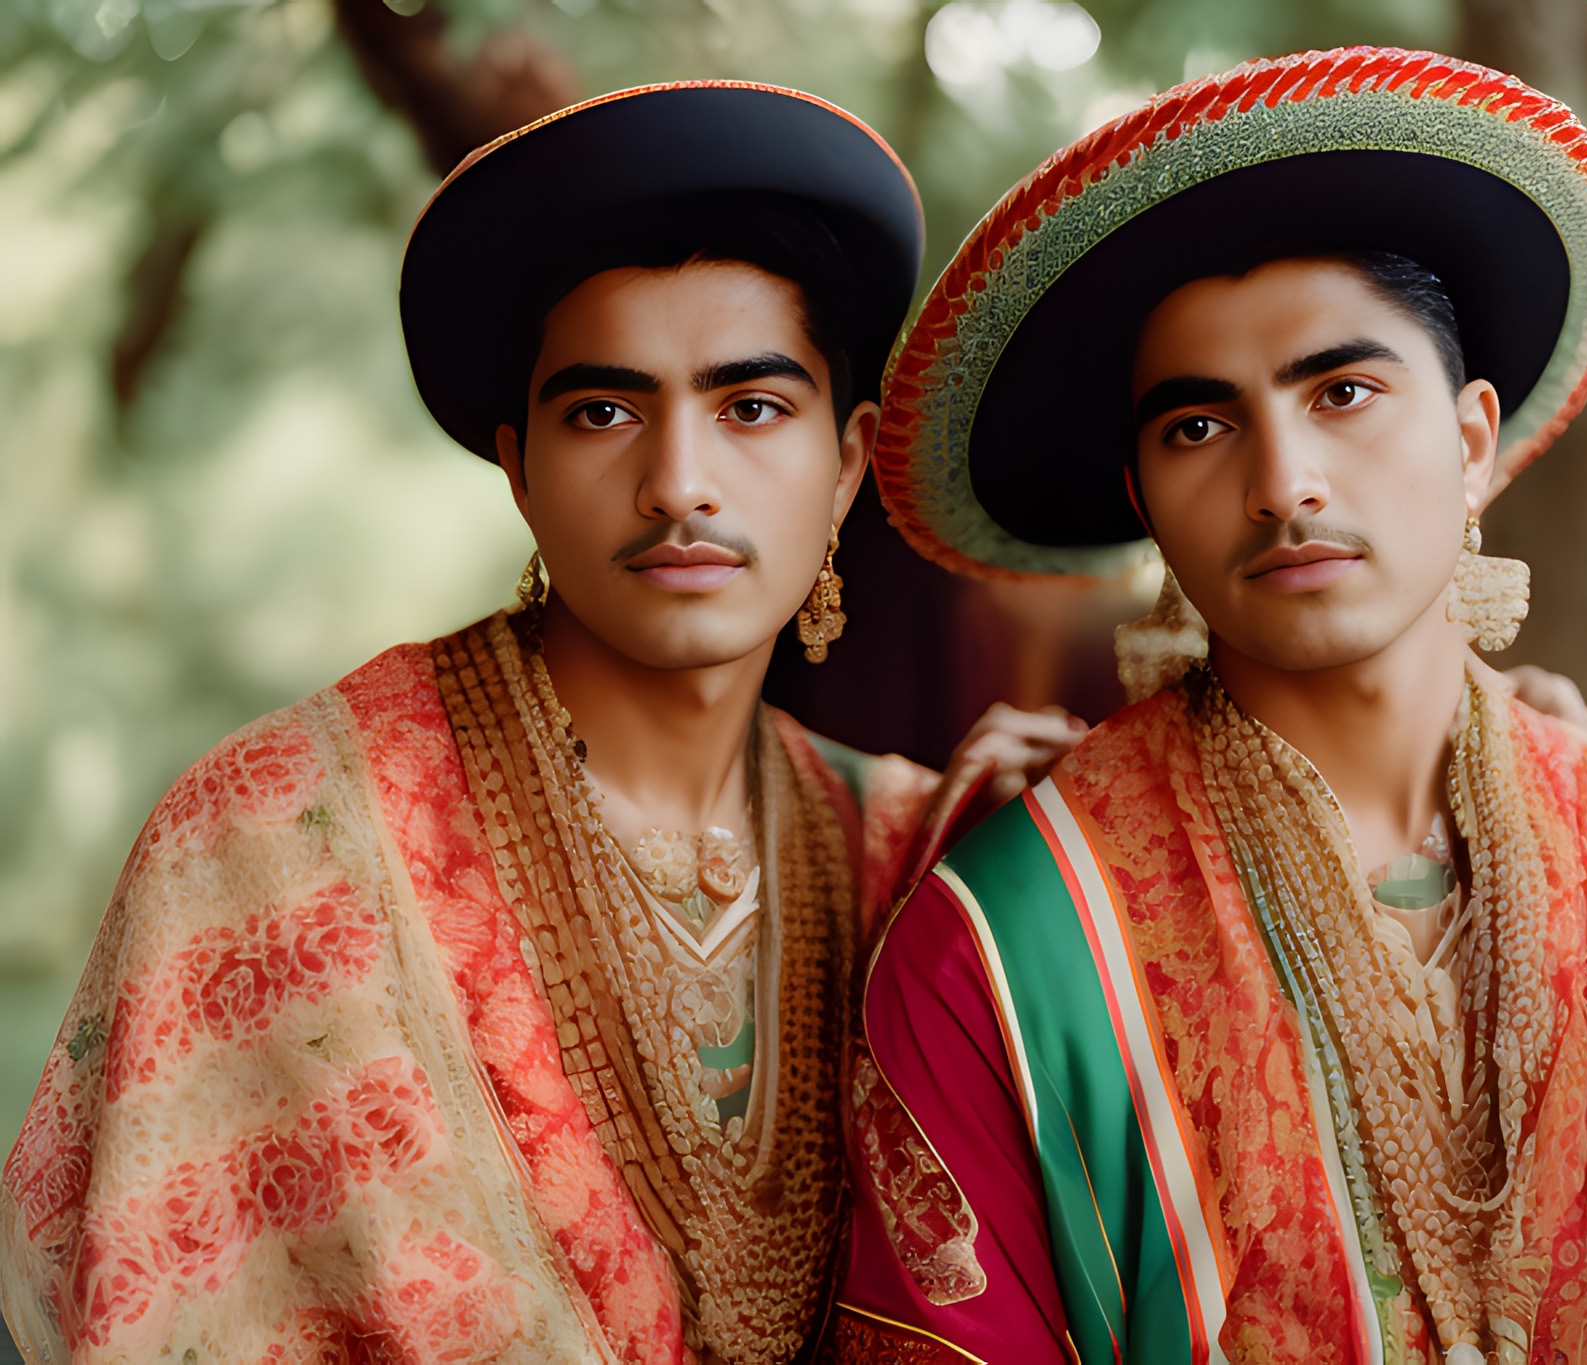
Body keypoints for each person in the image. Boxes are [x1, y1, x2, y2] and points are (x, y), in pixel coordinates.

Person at [832, 48, 1587, 1365]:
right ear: (1139, 503)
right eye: (1198, 428)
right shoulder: (1015, 946)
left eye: (1343, 393)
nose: (1284, 480)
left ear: (1473, 441)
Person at [0, 82, 1087, 1363]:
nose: (679, 482)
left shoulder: (914, 851)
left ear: (845, 462)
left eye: (750, 408)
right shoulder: (274, 841)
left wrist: (1077, 842)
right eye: (605, 412)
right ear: (516, 464)